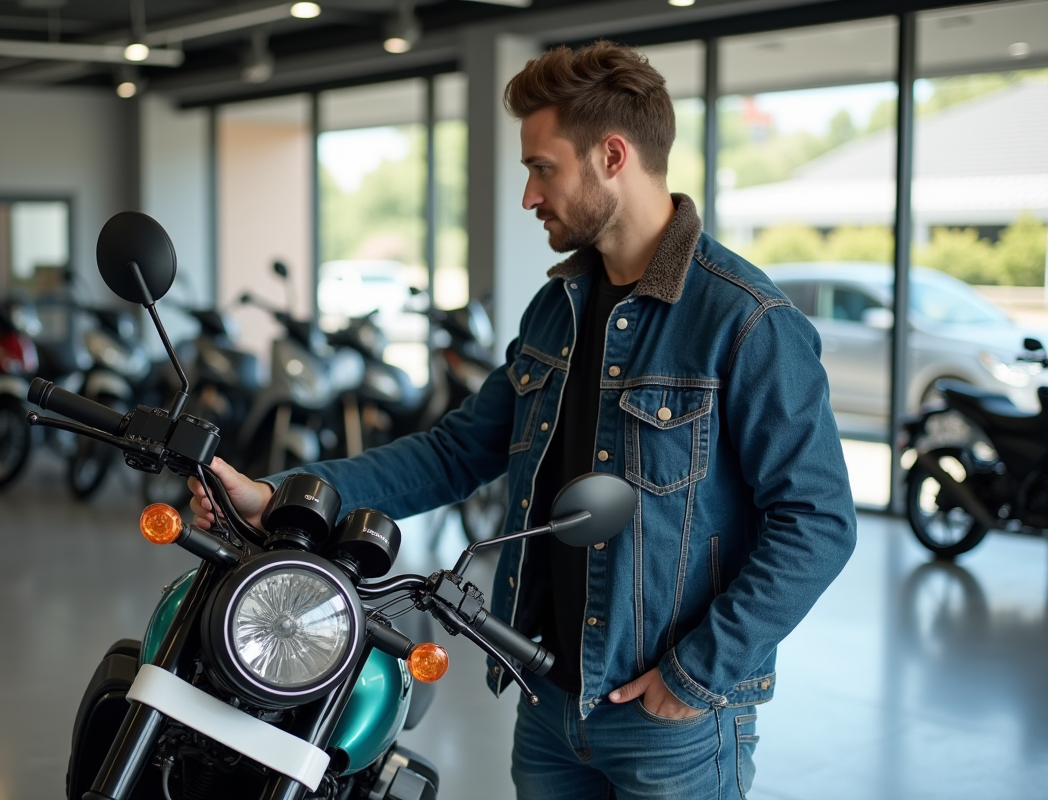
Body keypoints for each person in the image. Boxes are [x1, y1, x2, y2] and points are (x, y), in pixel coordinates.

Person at [190, 40, 856, 800]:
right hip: (545, 701)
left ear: (612, 155)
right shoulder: (557, 307)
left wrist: (698, 670)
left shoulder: (743, 319)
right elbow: (453, 453)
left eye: (543, 168)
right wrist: (278, 493)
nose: (528, 198)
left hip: (668, 723)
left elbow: (818, 519)